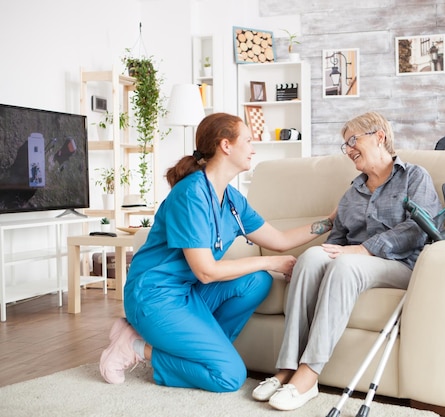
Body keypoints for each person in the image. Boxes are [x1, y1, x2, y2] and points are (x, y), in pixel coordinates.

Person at [99, 112, 335, 393]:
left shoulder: (233, 200)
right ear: (226, 145)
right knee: (229, 377)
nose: (253, 148)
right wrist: (270, 261)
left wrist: (331, 221)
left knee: (257, 281)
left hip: (187, 294)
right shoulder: (191, 194)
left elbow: (281, 240)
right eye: (247, 140)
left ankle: (203, 354)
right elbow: (206, 271)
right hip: (154, 296)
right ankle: (135, 346)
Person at [252, 111, 442, 411]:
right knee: (313, 257)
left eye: (353, 140)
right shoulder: (351, 191)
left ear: (380, 137)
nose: (348, 149)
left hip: (401, 265)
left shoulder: (414, 176)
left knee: (344, 264)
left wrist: (364, 250)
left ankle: (309, 373)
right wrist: (307, 267)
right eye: (345, 144)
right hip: (354, 262)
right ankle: (287, 367)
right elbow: (337, 240)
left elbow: (419, 229)